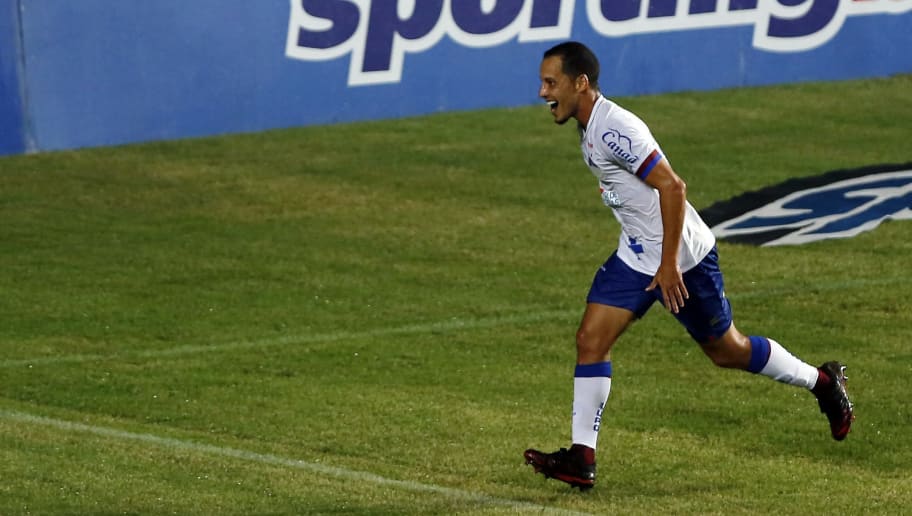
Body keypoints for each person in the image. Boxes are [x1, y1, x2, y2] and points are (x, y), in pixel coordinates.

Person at [523, 41, 855, 491]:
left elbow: (673, 188)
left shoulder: (614, 128)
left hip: (681, 258)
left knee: (727, 350)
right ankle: (582, 458)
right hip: (638, 254)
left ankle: (821, 382)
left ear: (580, 83)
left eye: (551, 82)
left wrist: (668, 266)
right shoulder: (587, 125)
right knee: (590, 340)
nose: (543, 92)